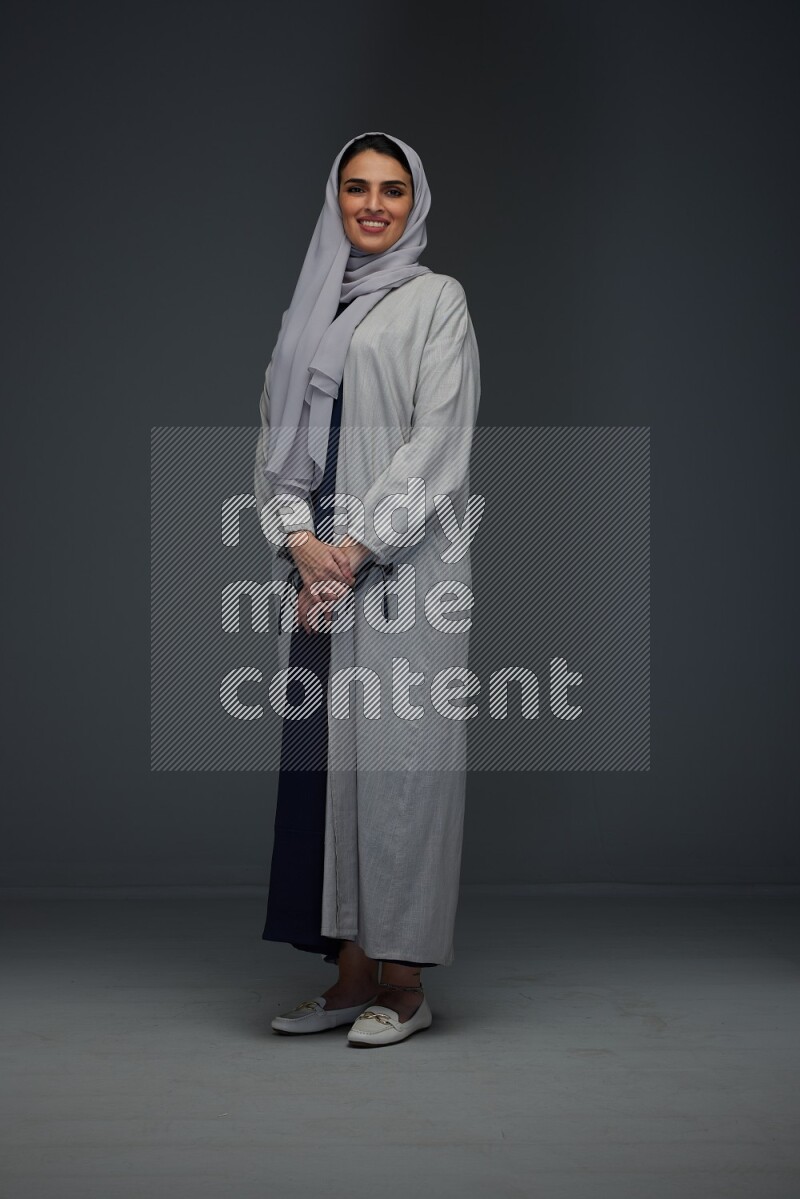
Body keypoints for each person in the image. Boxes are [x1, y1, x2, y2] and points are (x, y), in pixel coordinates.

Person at [254, 130, 480, 1046]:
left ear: (414, 201)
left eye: (392, 189)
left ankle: (407, 984)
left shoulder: (437, 302)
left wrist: (353, 547)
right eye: (357, 188)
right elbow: (273, 433)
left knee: (400, 771)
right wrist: (299, 540)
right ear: (335, 198)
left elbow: (439, 441)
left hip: (402, 571)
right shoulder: (310, 305)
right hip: (317, 574)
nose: (374, 204)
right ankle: (348, 976)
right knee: (327, 771)